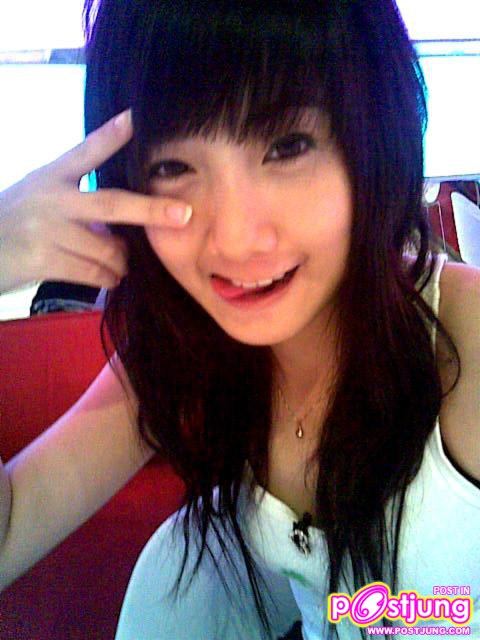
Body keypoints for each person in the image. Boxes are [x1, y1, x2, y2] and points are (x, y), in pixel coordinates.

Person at [1, 1, 479, 639]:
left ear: (375, 141)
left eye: (287, 146)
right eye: (173, 167)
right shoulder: (185, 354)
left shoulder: (465, 342)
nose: (234, 239)